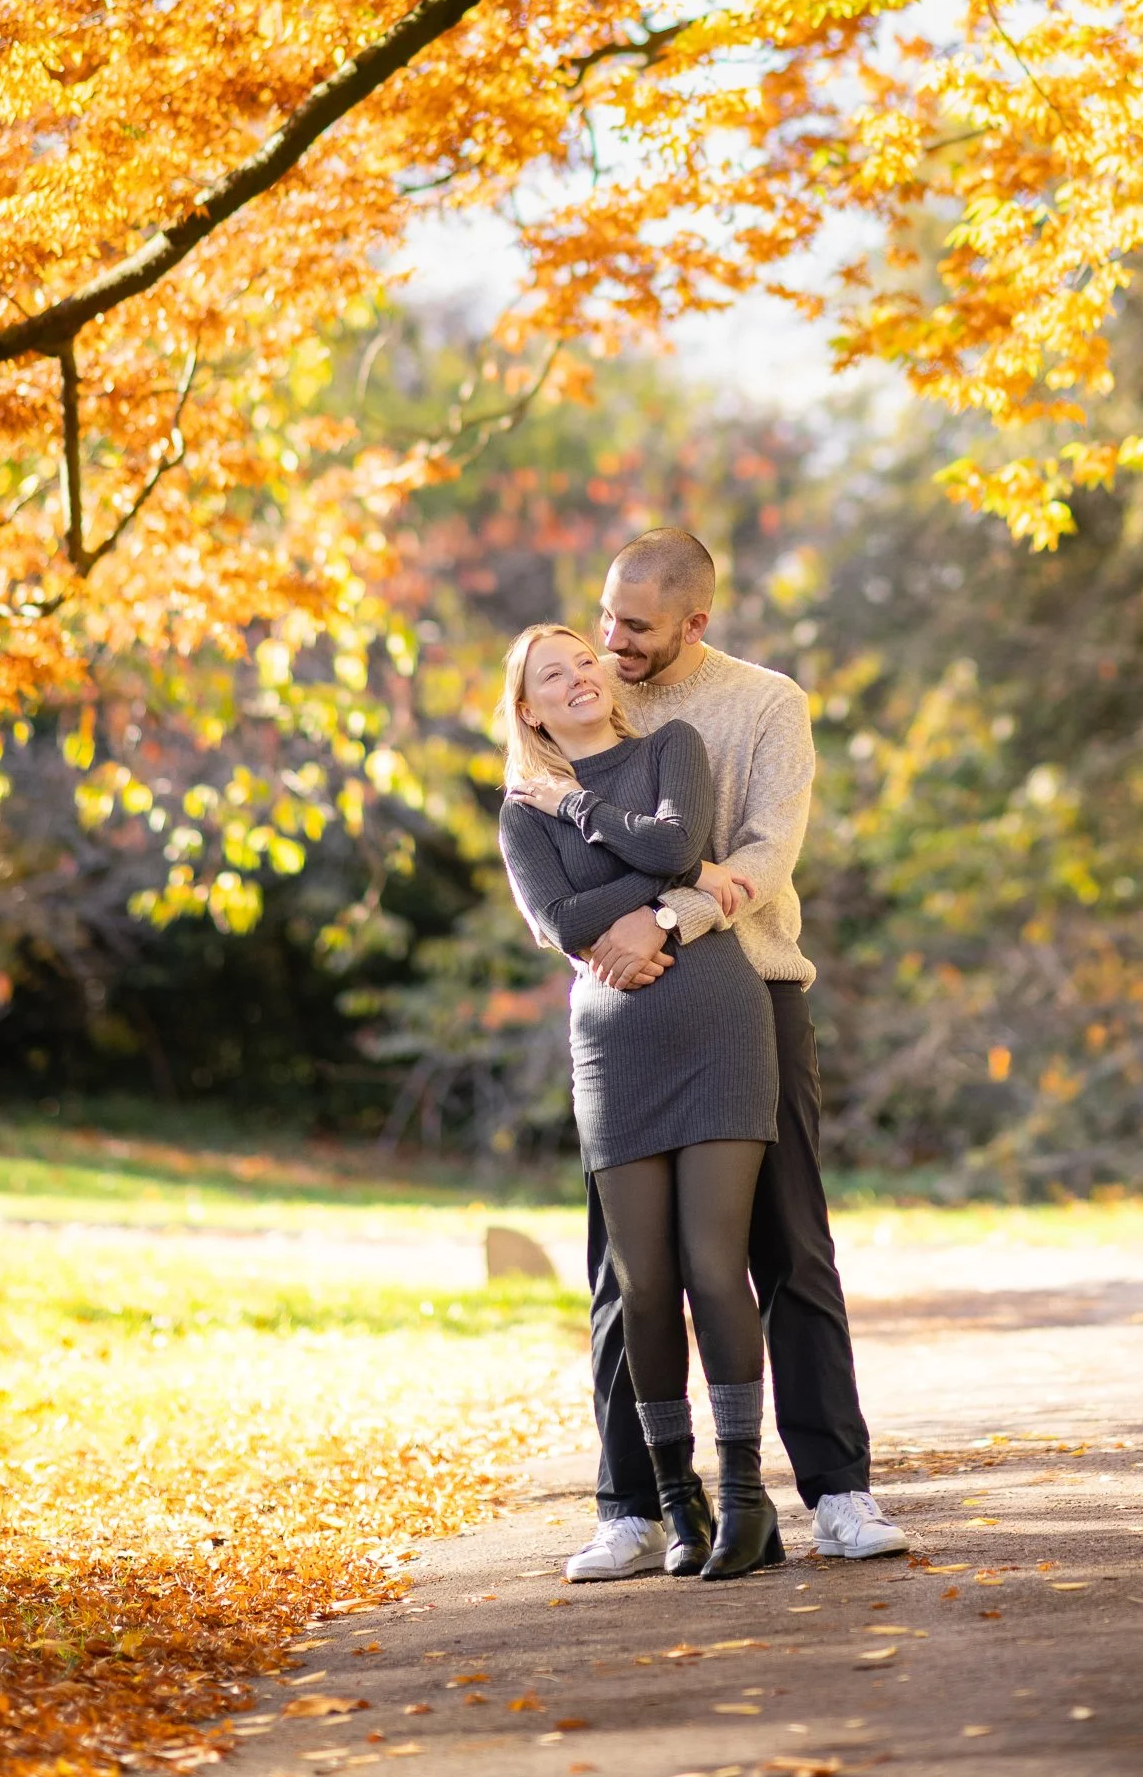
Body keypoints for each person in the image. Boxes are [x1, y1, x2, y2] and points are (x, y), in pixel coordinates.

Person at [560, 527, 909, 1582]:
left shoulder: (763, 704)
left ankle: (838, 1492)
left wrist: (666, 915)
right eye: (606, 613)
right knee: (627, 1270)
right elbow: (543, 844)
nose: (611, 640)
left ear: (694, 621)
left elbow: (765, 849)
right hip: (619, 1004)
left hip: (750, 989)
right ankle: (629, 1504)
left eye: (637, 626)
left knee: (786, 1248)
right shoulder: (577, 693)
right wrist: (597, 938)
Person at [495, 620, 786, 1581]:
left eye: (585, 659)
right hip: (615, 1050)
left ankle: (747, 1497)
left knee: (712, 1268)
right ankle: (678, 1504)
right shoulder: (517, 813)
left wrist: (595, 816)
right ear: (528, 707)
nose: (580, 675)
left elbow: (681, 842)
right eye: (554, 673)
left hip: (716, 1025)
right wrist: (663, 876)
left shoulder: (672, 747)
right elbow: (560, 920)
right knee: (644, 1283)